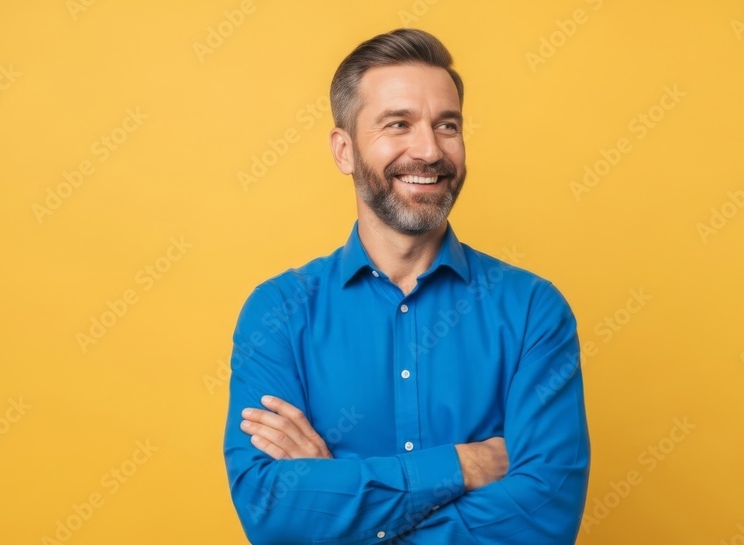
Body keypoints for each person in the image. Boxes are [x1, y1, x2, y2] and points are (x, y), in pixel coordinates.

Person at [223, 28, 590, 544]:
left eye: (448, 126)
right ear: (344, 150)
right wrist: (461, 465)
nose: (429, 150)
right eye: (399, 124)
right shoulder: (279, 312)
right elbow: (271, 511)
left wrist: (339, 498)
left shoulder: (532, 310)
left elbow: (544, 520)